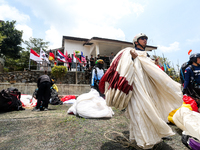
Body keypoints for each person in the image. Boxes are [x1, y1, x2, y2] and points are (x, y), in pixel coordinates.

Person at [99, 33, 182, 149]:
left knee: (152, 109)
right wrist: (132, 58)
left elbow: (149, 70)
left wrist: (154, 64)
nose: (145, 40)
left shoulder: (146, 56)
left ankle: (153, 136)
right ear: (136, 41)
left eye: (146, 39)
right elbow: (124, 67)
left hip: (147, 87)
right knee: (138, 111)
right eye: (142, 38)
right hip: (136, 87)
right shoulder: (130, 52)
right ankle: (141, 139)